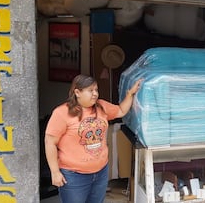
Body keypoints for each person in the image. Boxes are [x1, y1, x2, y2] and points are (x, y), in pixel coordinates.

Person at [44, 74, 142, 203]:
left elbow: (121, 111)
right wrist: (55, 172)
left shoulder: (101, 106)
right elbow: (50, 142)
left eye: (96, 90)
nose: (95, 94)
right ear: (77, 92)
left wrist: (130, 94)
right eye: (90, 90)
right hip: (74, 176)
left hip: (101, 172)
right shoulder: (62, 113)